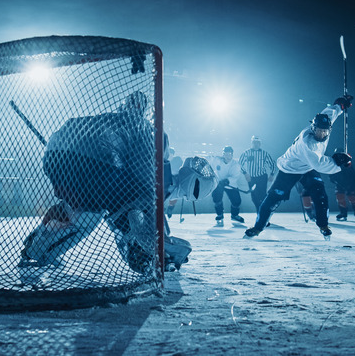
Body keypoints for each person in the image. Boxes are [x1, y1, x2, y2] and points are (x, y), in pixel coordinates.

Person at [20, 91, 216, 273]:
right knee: (92, 215)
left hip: (56, 157)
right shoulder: (150, 134)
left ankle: (38, 243)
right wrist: (154, 240)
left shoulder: (117, 123)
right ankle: (139, 249)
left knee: (79, 209)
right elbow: (142, 184)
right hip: (96, 167)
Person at [245, 94, 353, 240]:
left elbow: (330, 113)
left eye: (325, 131)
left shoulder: (324, 124)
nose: (321, 134)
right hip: (289, 169)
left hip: (307, 167)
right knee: (273, 198)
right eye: (319, 131)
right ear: (313, 128)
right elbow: (320, 164)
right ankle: (258, 228)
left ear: (329, 129)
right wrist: (339, 163)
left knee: (320, 194)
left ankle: (323, 225)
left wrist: (340, 105)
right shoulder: (308, 143)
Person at [209, 145, 247, 224]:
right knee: (216, 199)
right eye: (226, 154)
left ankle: (234, 215)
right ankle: (220, 214)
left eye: (229, 154)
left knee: (237, 201)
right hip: (219, 183)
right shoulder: (217, 160)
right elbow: (210, 163)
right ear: (223, 154)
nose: (227, 156)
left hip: (230, 184)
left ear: (232, 155)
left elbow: (235, 177)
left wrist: (227, 181)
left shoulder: (235, 165)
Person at [238, 135, 276, 211]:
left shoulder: (264, 153)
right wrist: (245, 173)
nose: (256, 144)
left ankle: (263, 215)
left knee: (262, 196)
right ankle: (260, 213)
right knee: (254, 197)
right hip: (251, 178)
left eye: (257, 143)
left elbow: (272, 164)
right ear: (251, 143)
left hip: (262, 177)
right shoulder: (246, 153)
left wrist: (272, 174)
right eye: (254, 142)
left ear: (260, 144)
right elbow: (239, 164)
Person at [330, 148, 355, 221]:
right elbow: (331, 172)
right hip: (339, 184)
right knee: (340, 198)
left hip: (349, 183)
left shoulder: (347, 162)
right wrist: (332, 178)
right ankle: (343, 213)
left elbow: (352, 175)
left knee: (352, 198)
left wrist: (350, 185)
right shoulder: (334, 162)